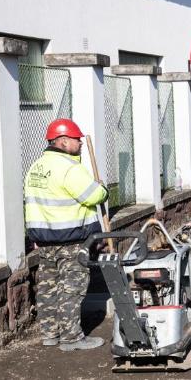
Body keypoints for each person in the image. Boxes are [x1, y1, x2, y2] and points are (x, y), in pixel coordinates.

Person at [24, 118, 108, 351]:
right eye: (75, 139)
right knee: (72, 288)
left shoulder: (36, 167)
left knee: (48, 288)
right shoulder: (69, 168)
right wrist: (102, 189)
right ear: (62, 141)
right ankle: (71, 338)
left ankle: (50, 334)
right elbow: (93, 196)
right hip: (72, 240)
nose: (80, 143)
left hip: (44, 241)